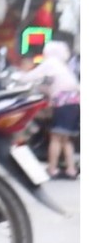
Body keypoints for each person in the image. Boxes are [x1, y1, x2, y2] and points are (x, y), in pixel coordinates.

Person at [29, 41, 80, 179]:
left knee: (55, 138)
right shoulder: (63, 66)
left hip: (63, 104)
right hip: (74, 104)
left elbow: (32, 76)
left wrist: (18, 78)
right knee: (65, 139)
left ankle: (52, 169)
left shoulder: (51, 63)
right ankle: (71, 170)